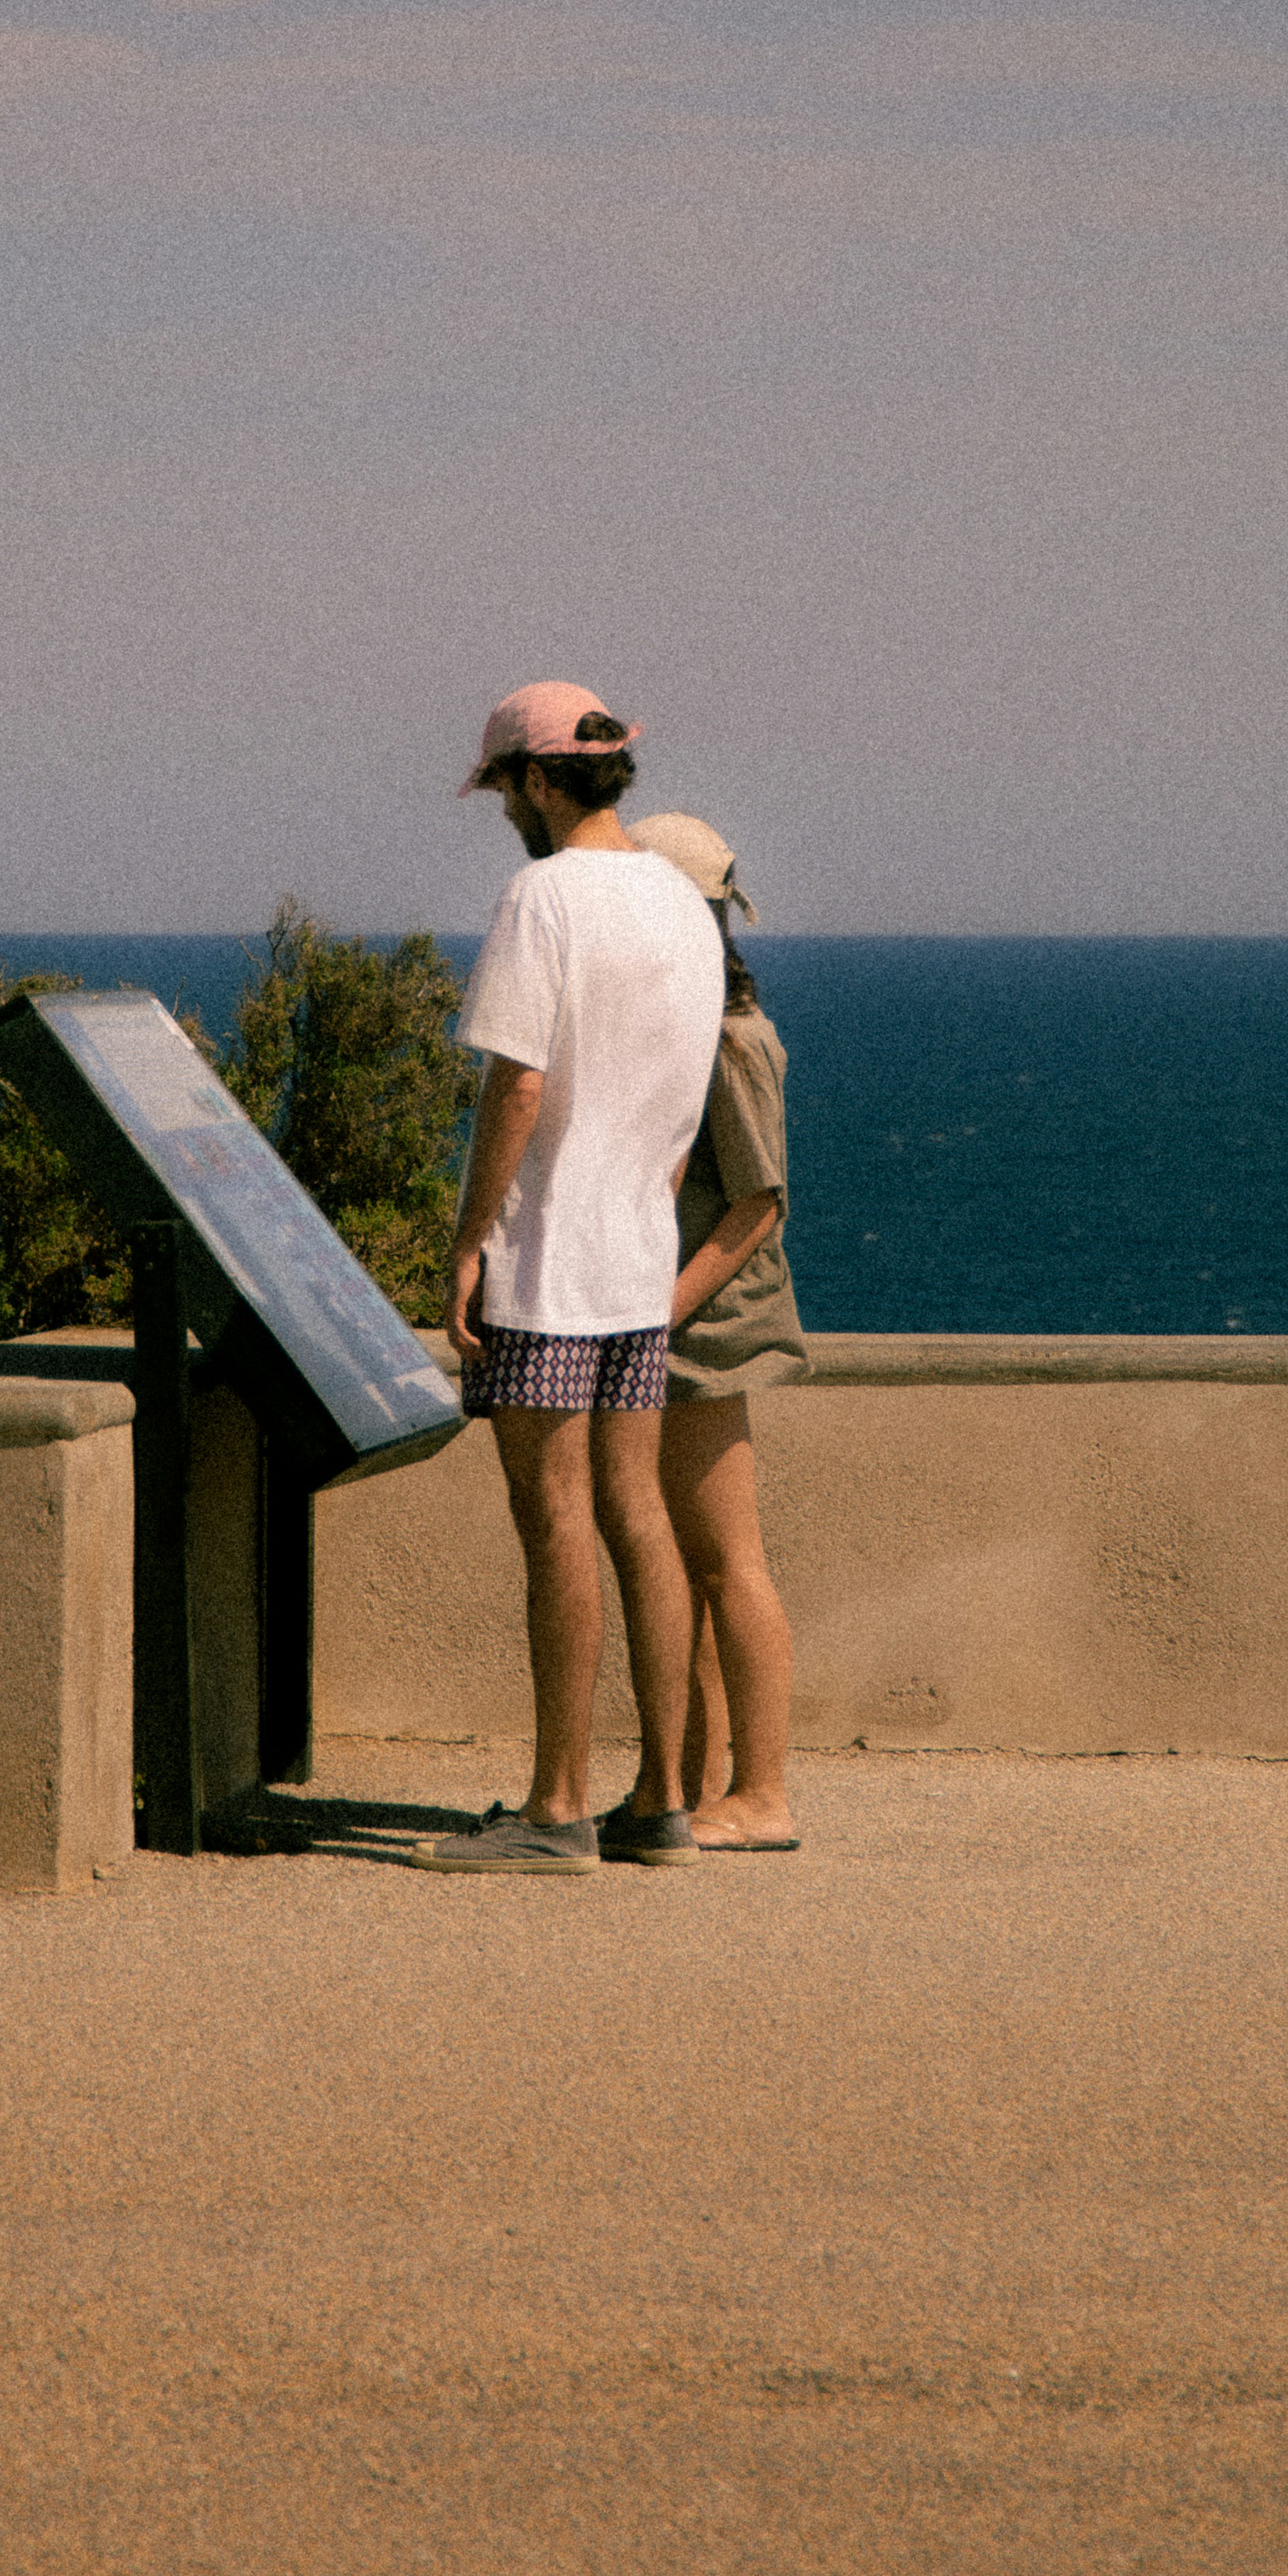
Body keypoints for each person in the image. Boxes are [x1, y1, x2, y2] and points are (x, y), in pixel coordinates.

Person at [416, 683, 726, 1874]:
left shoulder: (540, 897)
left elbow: (519, 1087)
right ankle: (663, 1802)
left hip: (549, 1262)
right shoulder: (682, 906)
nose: (503, 807)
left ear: (540, 782)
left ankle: (557, 1808)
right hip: (640, 1262)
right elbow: (684, 1107)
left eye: (504, 786)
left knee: (554, 1523)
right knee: (637, 1518)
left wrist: (468, 1239)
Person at [630, 814, 805, 1851]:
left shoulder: (731, 1043)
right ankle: (694, 1786)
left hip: (705, 1327)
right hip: (683, 1320)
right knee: (690, 1562)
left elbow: (757, 1207)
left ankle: (765, 1794)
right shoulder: (696, 1027)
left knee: (729, 1562)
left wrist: (654, 1315)